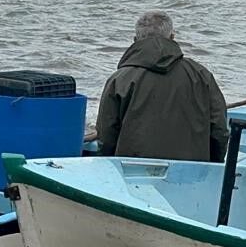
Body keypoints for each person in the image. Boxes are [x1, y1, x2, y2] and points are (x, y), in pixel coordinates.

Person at [94, 11, 229, 162]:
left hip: (132, 172)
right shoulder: (202, 75)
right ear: (172, 37)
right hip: (193, 172)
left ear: (135, 40)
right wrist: (213, 165)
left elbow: (106, 136)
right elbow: (220, 130)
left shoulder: (119, 80)